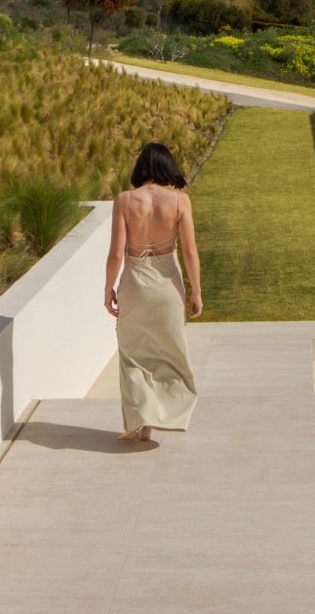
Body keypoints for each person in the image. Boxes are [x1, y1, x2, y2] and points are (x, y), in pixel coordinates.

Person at [105, 140, 202, 444]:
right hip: (167, 286)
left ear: (140, 167)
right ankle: (165, 415)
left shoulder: (124, 200)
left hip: (135, 283)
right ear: (167, 166)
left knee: (133, 355)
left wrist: (108, 288)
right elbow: (189, 249)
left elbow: (117, 254)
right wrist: (196, 290)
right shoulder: (179, 201)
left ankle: (139, 421)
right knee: (170, 354)